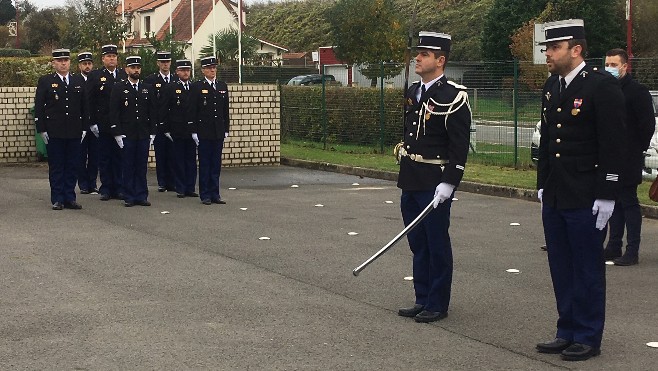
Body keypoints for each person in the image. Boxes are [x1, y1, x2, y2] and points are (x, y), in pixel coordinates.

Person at [535, 20, 626, 361]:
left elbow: (615, 144)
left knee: (587, 267)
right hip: (558, 192)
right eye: (547, 47)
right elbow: (547, 141)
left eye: (554, 48)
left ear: (576, 50)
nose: (547, 53)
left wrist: (608, 193)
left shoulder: (600, 86)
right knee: (561, 264)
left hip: (587, 193)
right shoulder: (552, 85)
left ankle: (588, 335)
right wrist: (542, 183)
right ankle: (567, 329)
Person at [396, 32, 471, 323]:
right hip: (411, 177)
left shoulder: (453, 96)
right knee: (417, 242)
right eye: (419, 53)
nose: (418, 57)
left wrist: (449, 183)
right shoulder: (414, 91)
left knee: (436, 241)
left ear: (440, 61)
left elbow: (459, 145)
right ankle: (422, 296)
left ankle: (438, 302)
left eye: (425, 54)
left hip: (434, 180)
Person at [602, 48, 655, 266]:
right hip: (609, 155)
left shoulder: (637, 91)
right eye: (607, 64)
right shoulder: (604, 89)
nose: (610, 68)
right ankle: (614, 245)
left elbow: (647, 125)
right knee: (613, 202)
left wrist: (635, 148)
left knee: (628, 201)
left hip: (629, 155)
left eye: (614, 65)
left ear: (625, 66)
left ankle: (632, 250)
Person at [34, 49, 88, 210]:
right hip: (54, 131)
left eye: (66, 60)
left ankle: (70, 197)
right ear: (54, 63)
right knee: (57, 166)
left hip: (74, 131)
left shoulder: (78, 81)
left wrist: (85, 127)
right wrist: (41, 129)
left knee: (72, 165)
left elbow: (85, 107)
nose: (63, 63)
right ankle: (57, 198)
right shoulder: (46, 81)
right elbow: (39, 107)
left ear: (70, 62)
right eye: (60, 60)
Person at [109, 56, 156, 207]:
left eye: (138, 67)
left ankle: (141, 195)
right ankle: (129, 196)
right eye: (133, 67)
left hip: (143, 133)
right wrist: (116, 132)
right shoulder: (119, 87)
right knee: (128, 166)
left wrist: (153, 132)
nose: (136, 70)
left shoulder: (146, 88)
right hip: (126, 133)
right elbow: (114, 112)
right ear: (126, 69)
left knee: (141, 166)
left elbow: (152, 112)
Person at [87, 44, 127, 201]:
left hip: (120, 124)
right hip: (102, 123)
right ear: (103, 59)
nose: (112, 58)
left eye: (114, 56)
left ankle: (118, 188)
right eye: (108, 56)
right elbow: (89, 100)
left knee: (119, 157)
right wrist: (92, 122)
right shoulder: (96, 76)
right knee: (104, 157)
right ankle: (105, 188)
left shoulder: (123, 75)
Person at [188, 56, 230, 205]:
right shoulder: (197, 87)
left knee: (216, 164)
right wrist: (193, 131)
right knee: (205, 164)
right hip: (203, 131)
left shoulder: (222, 86)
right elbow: (192, 110)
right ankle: (205, 194)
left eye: (214, 67)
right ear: (203, 70)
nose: (213, 70)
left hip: (218, 131)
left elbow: (225, 110)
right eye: (209, 68)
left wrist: (226, 128)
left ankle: (215, 193)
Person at [161, 59, 198, 198]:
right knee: (179, 160)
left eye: (187, 70)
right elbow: (164, 109)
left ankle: (190, 187)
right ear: (177, 72)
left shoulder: (194, 87)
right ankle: (180, 188)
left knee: (191, 160)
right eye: (183, 70)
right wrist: (165, 128)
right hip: (177, 129)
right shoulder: (171, 87)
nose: (185, 73)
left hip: (191, 129)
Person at [145, 51, 178, 193]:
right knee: (161, 154)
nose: (165, 64)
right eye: (162, 62)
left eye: (168, 62)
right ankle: (162, 182)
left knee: (173, 154)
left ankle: (173, 182)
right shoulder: (151, 80)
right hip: (158, 123)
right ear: (158, 63)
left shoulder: (176, 79)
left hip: (174, 123)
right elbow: (151, 104)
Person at [76, 51, 98, 194]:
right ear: (79, 66)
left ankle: (92, 183)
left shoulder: (97, 79)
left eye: (89, 63)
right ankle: (83, 184)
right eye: (84, 64)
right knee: (81, 155)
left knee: (95, 156)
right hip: (80, 125)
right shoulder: (76, 81)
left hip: (95, 124)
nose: (87, 66)